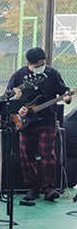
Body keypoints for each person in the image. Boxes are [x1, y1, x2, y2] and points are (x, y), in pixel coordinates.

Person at [7, 47, 71, 201]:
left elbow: (64, 91)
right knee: (26, 155)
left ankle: (49, 187)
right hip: (26, 122)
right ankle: (32, 187)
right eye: (37, 66)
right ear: (28, 63)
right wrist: (18, 107)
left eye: (43, 64)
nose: (41, 67)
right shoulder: (19, 75)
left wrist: (67, 97)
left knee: (48, 154)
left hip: (47, 119)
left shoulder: (52, 74)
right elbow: (8, 96)